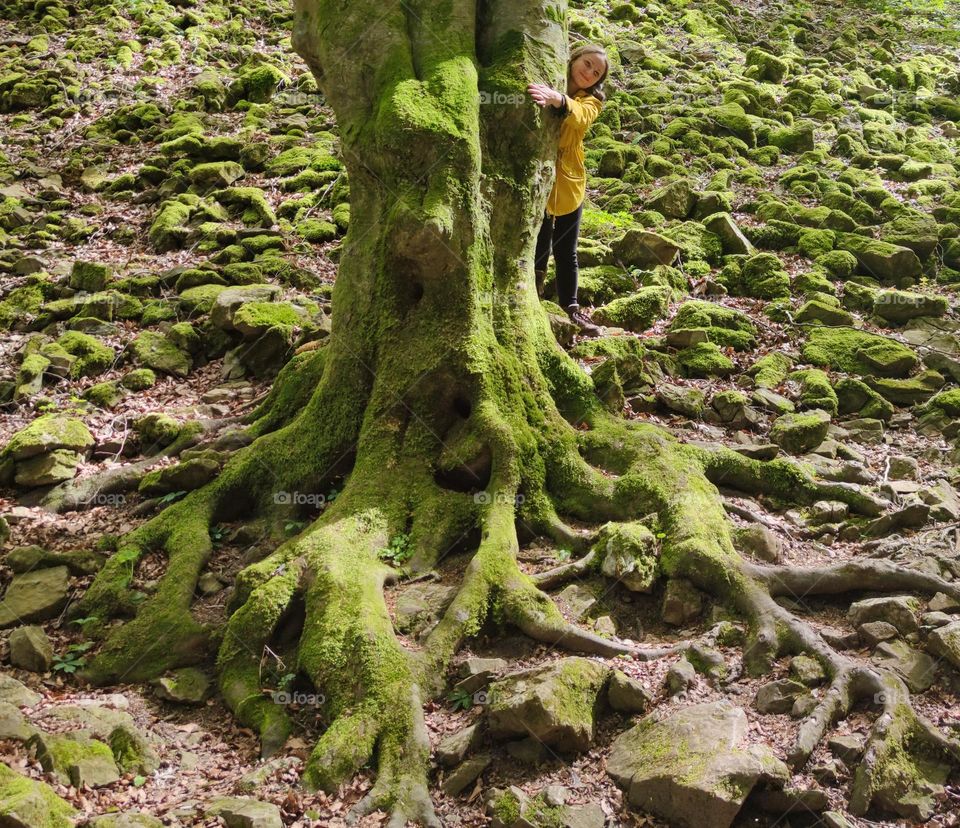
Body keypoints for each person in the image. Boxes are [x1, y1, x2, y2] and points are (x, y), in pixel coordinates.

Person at [527, 43, 609, 337]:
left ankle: (571, 310)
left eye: (596, 72)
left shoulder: (591, 102)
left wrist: (559, 99)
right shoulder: (549, 72)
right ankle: (533, 300)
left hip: (569, 183)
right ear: (575, 58)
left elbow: (580, 117)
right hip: (537, 176)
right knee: (537, 244)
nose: (589, 73)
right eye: (587, 64)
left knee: (566, 250)